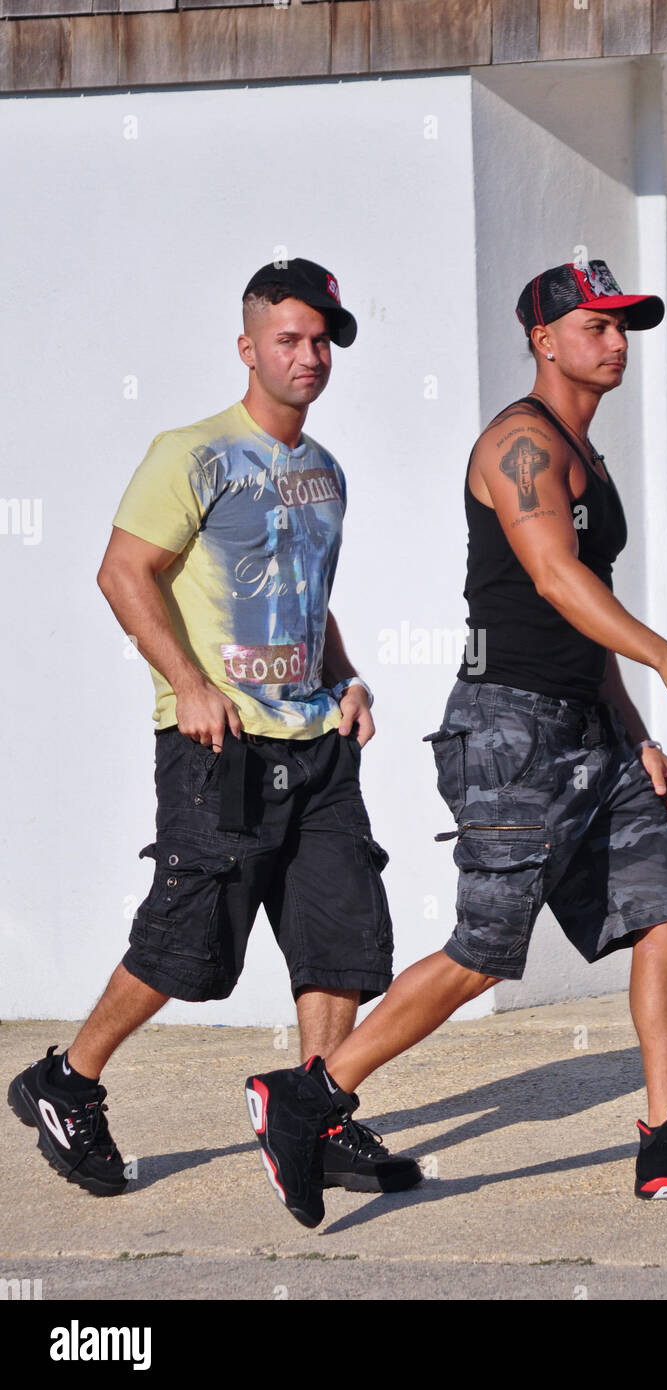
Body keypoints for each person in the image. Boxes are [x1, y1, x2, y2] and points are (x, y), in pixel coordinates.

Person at [243, 255, 667, 1227]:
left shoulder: (590, 456)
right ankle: (307, 1097)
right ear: (542, 339)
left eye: (623, 326)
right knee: (483, 953)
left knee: (662, 907)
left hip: (585, 728)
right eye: (595, 326)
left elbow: (590, 611)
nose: (614, 343)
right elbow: (550, 578)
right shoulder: (516, 445)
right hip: (509, 730)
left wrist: (634, 735)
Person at [8, 257, 421, 1201]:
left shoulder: (324, 470)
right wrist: (187, 683)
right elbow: (123, 572)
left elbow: (305, 599)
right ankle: (65, 1080)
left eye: (322, 341)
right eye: (289, 339)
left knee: (339, 938)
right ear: (248, 348)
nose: (308, 356)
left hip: (317, 743)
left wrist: (347, 678)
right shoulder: (191, 452)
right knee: (185, 942)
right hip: (218, 747)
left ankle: (318, 1113)